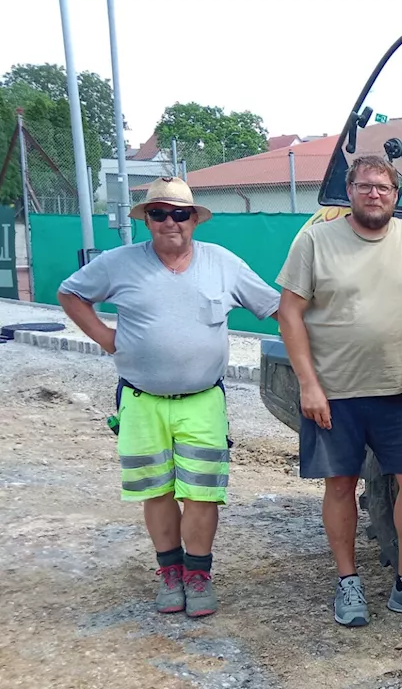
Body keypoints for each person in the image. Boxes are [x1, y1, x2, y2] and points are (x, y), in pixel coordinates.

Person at [57, 176, 281, 618]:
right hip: (141, 401)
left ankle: (198, 574)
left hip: (203, 401)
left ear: (194, 218)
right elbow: (70, 293)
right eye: (158, 213)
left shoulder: (222, 263)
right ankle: (170, 574)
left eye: (179, 213)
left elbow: (275, 307)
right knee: (156, 492)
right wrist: (105, 337)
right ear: (147, 220)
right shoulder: (119, 263)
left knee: (202, 493)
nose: (169, 222)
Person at [276, 154, 402, 628]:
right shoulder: (315, 240)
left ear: (396, 195)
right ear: (349, 191)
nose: (374, 194)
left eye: (384, 188)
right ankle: (348, 582)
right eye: (365, 186)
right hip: (335, 391)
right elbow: (289, 313)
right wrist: (308, 383)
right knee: (341, 484)